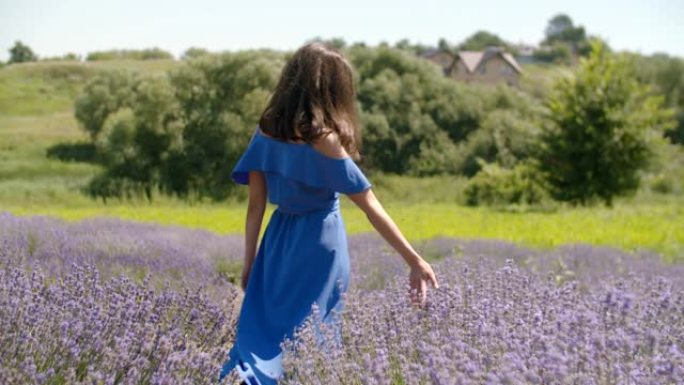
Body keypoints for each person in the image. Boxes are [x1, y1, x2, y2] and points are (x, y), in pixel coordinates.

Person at [218, 42, 438, 385]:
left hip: (278, 243)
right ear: (333, 90)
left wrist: (249, 262)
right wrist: (414, 259)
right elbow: (370, 206)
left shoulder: (265, 131)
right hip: (320, 244)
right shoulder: (326, 140)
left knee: (266, 332)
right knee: (315, 335)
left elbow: (255, 206)